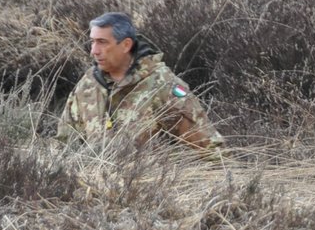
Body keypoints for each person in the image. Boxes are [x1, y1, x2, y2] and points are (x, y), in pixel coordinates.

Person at [55, 12, 224, 155]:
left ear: (126, 45)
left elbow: (211, 152)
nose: (94, 51)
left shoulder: (162, 84)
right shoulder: (88, 84)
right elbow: (65, 145)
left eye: (102, 42)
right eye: (92, 41)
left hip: (151, 188)